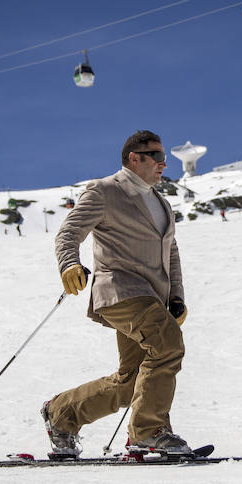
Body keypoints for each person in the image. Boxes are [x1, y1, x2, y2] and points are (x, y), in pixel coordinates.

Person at [43, 130, 190, 457]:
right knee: (166, 345)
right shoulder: (105, 191)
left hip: (152, 299)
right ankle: (149, 431)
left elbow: (172, 252)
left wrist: (176, 297)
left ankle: (62, 415)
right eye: (156, 155)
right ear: (133, 158)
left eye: (163, 157)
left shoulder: (162, 203)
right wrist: (69, 264)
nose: (163, 163)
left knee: (132, 381)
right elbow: (68, 232)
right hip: (120, 291)